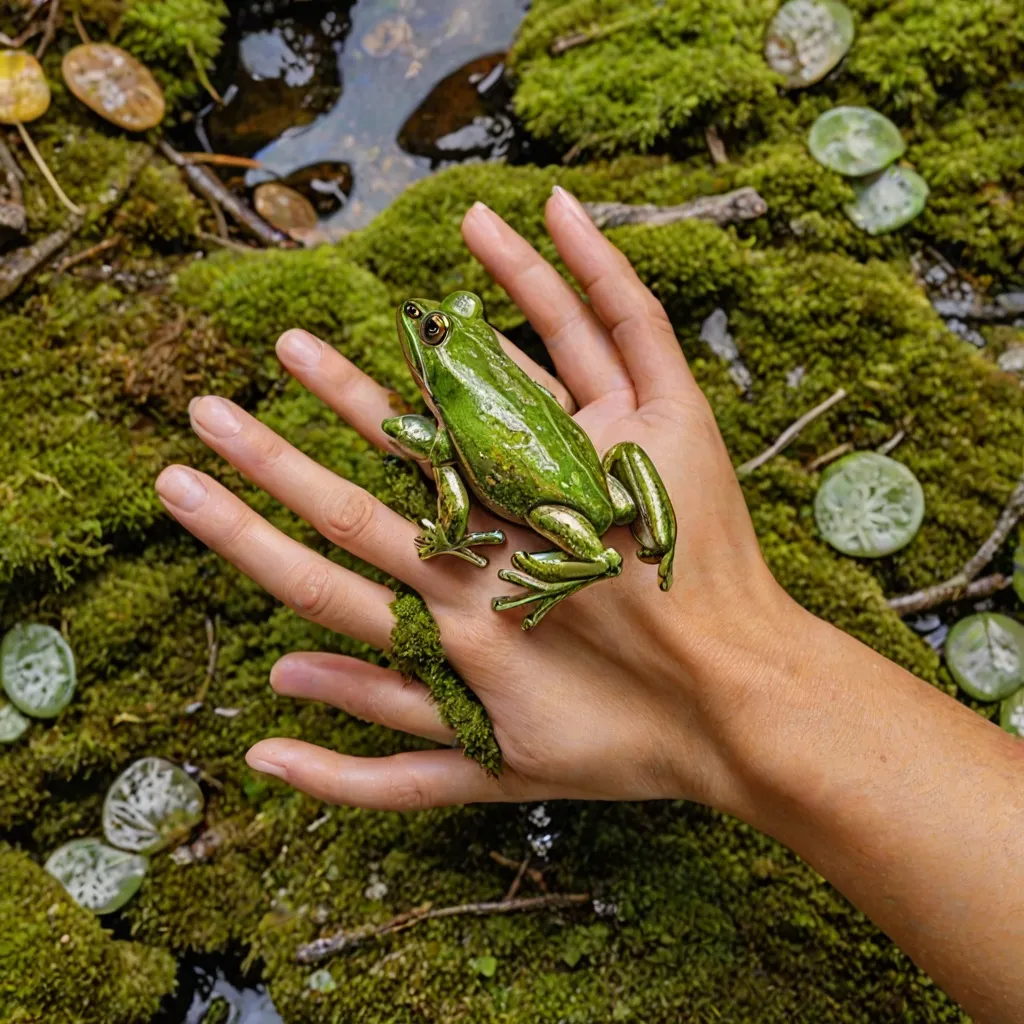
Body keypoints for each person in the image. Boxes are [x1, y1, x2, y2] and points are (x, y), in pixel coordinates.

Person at [155, 186, 1024, 1023]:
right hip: (605, 487)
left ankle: (589, 566)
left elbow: (444, 468)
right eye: (433, 323)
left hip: (562, 517)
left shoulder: (442, 405)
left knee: (531, 517)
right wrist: (674, 557)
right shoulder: (489, 381)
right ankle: (657, 539)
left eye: (434, 324)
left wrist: (459, 536)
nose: (424, 322)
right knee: (563, 496)